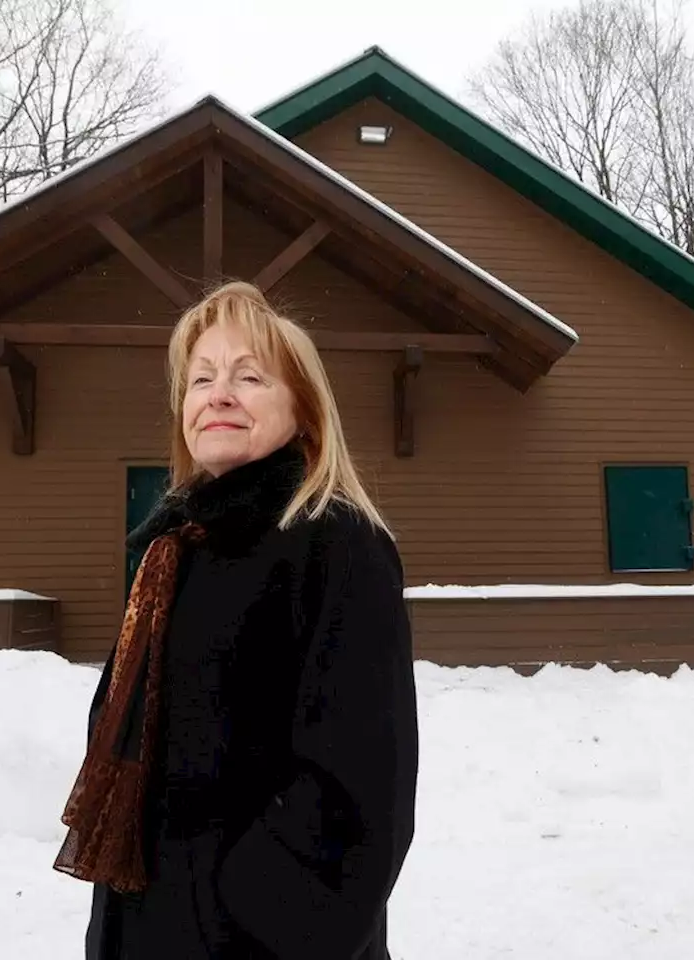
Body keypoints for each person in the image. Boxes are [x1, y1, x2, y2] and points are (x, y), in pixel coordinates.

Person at [54, 280, 420, 960]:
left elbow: (364, 772)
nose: (218, 394)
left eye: (250, 377)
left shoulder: (334, 542)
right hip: (147, 920)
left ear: (305, 413)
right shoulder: (175, 551)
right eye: (200, 379)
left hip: (256, 938)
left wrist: (253, 897)